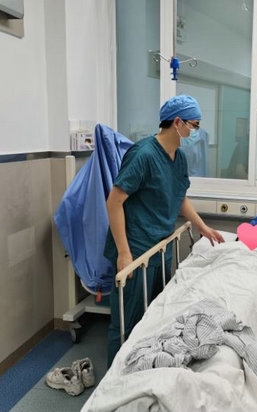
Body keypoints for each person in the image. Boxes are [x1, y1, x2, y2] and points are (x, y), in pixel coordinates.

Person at [104, 94, 224, 367]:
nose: (196, 132)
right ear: (177, 122)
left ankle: (144, 370)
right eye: (194, 125)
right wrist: (124, 253)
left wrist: (202, 227)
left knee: (153, 316)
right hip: (136, 247)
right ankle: (115, 378)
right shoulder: (143, 154)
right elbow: (114, 202)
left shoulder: (178, 158)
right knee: (126, 321)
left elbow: (179, 196)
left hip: (160, 246)